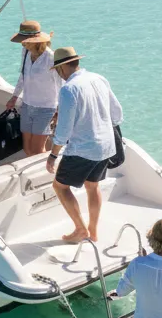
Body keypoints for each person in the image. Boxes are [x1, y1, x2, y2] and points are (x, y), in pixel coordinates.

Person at [45, 47, 123, 243]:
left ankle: (80, 229)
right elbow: (117, 114)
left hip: (83, 149)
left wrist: (53, 155)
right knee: (92, 185)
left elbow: (63, 131)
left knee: (60, 186)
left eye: (57, 70)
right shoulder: (99, 78)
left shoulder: (68, 89)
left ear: (62, 67)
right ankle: (93, 231)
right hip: (106, 145)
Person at [5, 20, 58, 156]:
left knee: (37, 151)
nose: (23, 43)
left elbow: (61, 86)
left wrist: (60, 110)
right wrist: (15, 96)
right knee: (27, 148)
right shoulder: (26, 52)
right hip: (27, 105)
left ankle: (46, 174)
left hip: (46, 108)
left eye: (25, 40)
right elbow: (23, 75)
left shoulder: (51, 58)